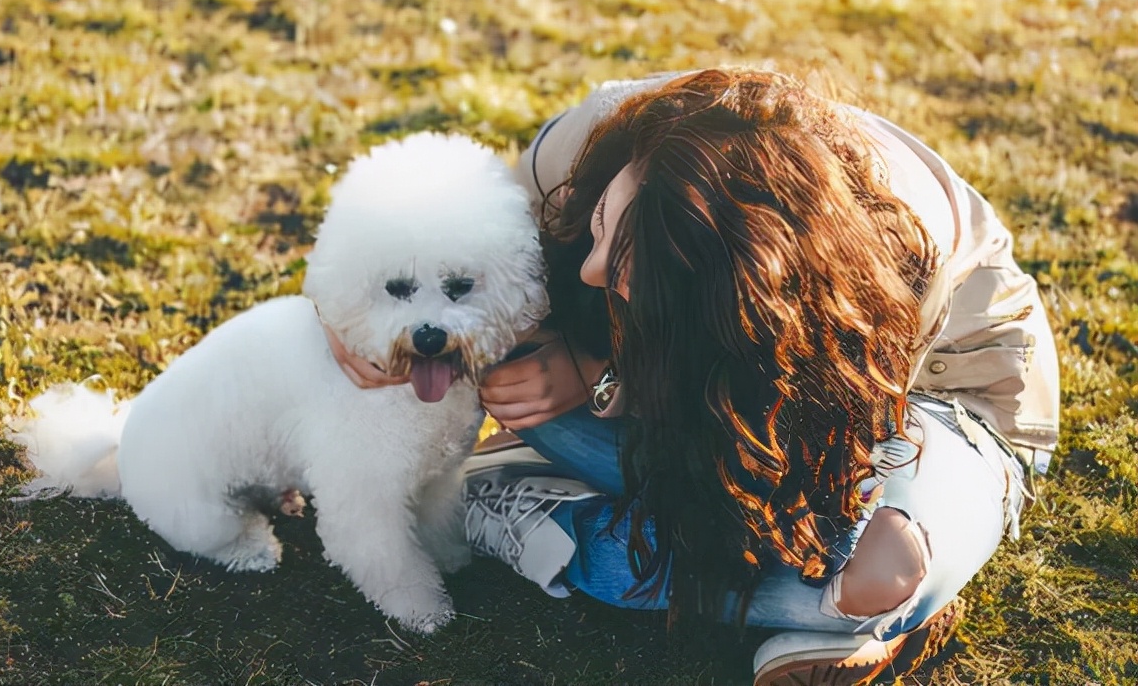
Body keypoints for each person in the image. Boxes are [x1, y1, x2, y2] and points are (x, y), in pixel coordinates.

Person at [326, 68, 1059, 686]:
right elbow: (434, 257)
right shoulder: (590, 145)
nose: (586, 267)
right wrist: (346, 322)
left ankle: (863, 602)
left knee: (882, 569)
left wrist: (610, 379)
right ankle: (813, 605)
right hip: (693, 398)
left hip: (919, 393)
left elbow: (787, 434)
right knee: (512, 363)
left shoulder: (873, 257)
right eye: (605, 224)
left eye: (628, 274)